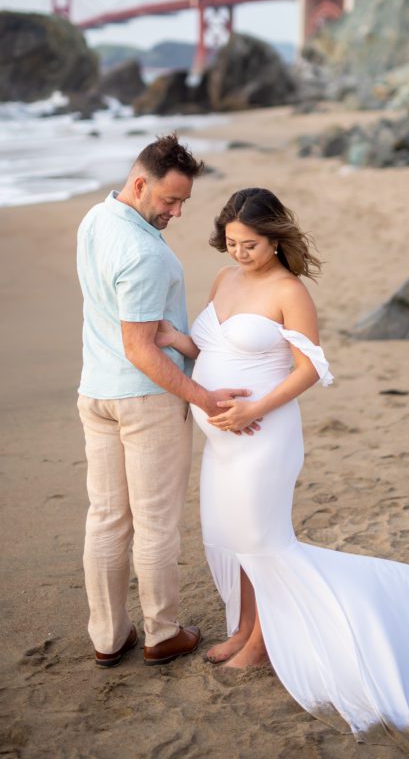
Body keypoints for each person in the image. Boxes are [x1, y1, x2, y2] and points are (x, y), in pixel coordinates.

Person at [158, 187, 409, 758]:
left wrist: (253, 409)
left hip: (265, 436)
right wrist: (179, 342)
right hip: (223, 443)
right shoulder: (223, 278)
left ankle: (261, 642)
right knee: (227, 535)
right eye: (232, 243)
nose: (239, 253)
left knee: (262, 540)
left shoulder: (290, 290)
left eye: (251, 244)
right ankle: (242, 627)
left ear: (275, 239)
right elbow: (216, 349)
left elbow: (310, 368)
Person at [75, 134, 249, 670]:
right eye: (169, 201)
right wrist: (202, 395)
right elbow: (140, 349)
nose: (176, 212)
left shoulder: (95, 219)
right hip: (145, 402)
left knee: (106, 518)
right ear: (140, 183)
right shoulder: (144, 252)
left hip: (95, 393)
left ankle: (107, 637)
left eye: (183, 203)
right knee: (154, 524)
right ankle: (162, 633)